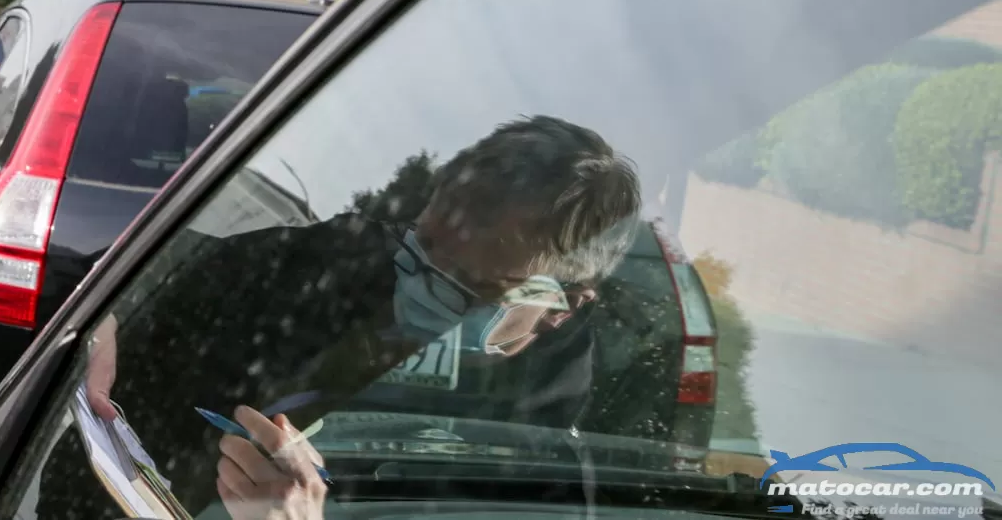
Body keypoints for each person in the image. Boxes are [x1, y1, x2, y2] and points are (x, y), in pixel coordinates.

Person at [50, 116, 642, 518]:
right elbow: (155, 267)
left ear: (563, 308)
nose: (420, 283)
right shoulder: (340, 259)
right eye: (424, 246)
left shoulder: (540, 462)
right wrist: (113, 308)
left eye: (471, 290)